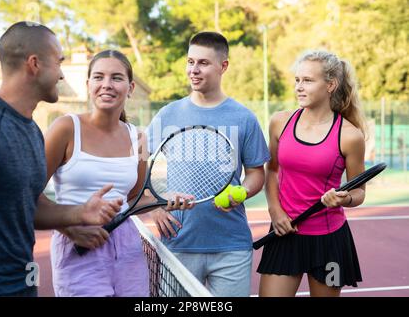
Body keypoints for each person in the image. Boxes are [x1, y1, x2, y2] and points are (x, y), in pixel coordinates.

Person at [0, 22, 122, 297]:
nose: (61, 74)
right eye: (58, 62)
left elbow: (29, 205)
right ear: (34, 64)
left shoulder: (33, 131)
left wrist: (80, 213)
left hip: (21, 284)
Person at [45, 50, 193, 297]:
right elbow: (30, 195)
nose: (107, 85)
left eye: (116, 78)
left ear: (130, 87)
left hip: (127, 248)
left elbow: (133, 200)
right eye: (99, 77)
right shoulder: (65, 128)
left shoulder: (139, 138)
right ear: (88, 84)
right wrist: (70, 228)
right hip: (78, 244)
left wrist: (165, 199)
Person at [147, 32, 270, 297]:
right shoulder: (168, 114)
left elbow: (256, 174)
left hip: (231, 246)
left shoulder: (244, 117)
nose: (193, 70)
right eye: (190, 62)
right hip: (177, 242)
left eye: (203, 63)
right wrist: (154, 205)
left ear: (223, 66)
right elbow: (139, 168)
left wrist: (242, 192)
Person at [257, 50, 367, 297]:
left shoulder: (350, 136)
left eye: (307, 80)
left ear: (330, 85)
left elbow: (359, 191)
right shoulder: (280, 121)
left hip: (330, 241)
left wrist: (344, 198)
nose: (299, 87)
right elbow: (272, 170)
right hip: (284, 234)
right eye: (297, 80)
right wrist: (275, 211)